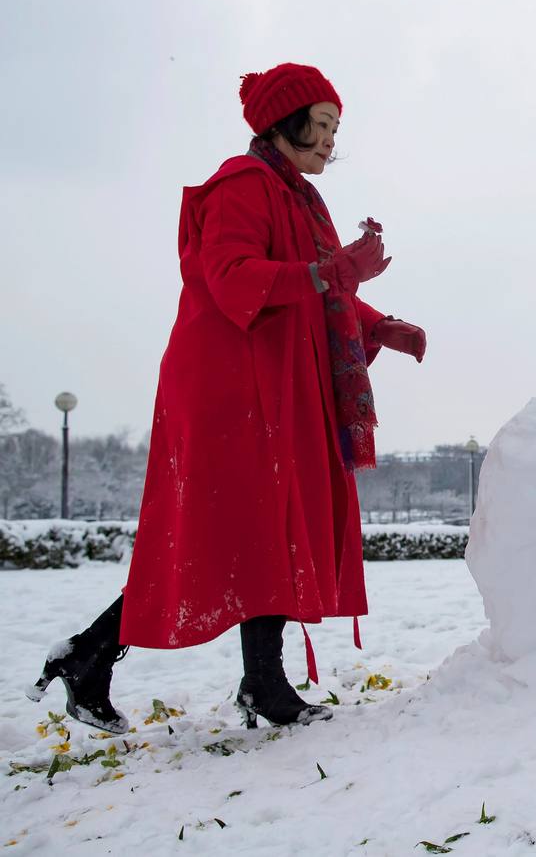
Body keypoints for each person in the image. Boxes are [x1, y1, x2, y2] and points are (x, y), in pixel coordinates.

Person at [27, 63, 428, 733]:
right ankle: (254, 688)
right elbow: (233, 275)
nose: (332, 140)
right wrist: (338, 271)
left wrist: (375, 321)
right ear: (283, 122)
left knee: (254, 535)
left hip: (278, 384)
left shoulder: (300, 198)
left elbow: (318, 293)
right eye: (322, 125)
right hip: (231, 386)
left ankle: (99, 658)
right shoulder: (241, 185)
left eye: (336, 128)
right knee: (242, 533)